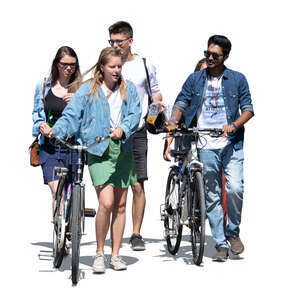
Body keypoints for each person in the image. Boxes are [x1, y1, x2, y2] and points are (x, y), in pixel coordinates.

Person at [40, 47, 142, 272]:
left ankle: (115, 255)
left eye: (119, 66)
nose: (116, 70)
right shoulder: (87, 91)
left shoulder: (129, 89)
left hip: (122, 149)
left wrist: (123, 129)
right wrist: (55, 131)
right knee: (106, 203)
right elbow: (71, 116)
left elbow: (135, 114)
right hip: (99, 150)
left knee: (121, 204)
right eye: (112, 66)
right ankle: (99, 252)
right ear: (102, 68)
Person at [172, 35, 254, 261]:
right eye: (207, 53)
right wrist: (172, 121)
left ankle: (232, 232)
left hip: (231, 143)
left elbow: (248, 108)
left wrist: (234, 125)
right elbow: (181, 102)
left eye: (214, 55)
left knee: (235, 188)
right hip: (206, 143)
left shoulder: (237, 79)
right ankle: (220, 243)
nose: (209, 57)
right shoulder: (195, 79)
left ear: (225, 56)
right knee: (212, 195)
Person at [108, 21, 163, 251]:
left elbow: (156, 93)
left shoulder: (144, 64)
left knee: (137, 184)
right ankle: (113, 231)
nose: (115, 45)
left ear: (130, 41)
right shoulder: (109, 63)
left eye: (118, 41)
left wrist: (156, 108)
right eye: (111, 41)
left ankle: (136, 232)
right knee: (110, 185)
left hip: (137, 130)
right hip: (110, 131)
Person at [32, 46, 81, 216]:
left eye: (73, 65)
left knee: (73, 190)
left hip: (73, 145)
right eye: (64, 64)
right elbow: (37, 113)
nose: (68, 68)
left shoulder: (81, 89)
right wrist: (40, 125)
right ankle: (60, 229)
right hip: (50, 146)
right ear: (56, 64)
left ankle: (72, 227)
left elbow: (91, 116)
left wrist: (78, 101)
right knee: (56, 190)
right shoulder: (44, 85)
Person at [163, 58, 207, 161]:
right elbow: (174, 122)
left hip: (207, 140)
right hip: (187, 140)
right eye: (203, 73)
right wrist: (167, 146)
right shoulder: (186, 95)